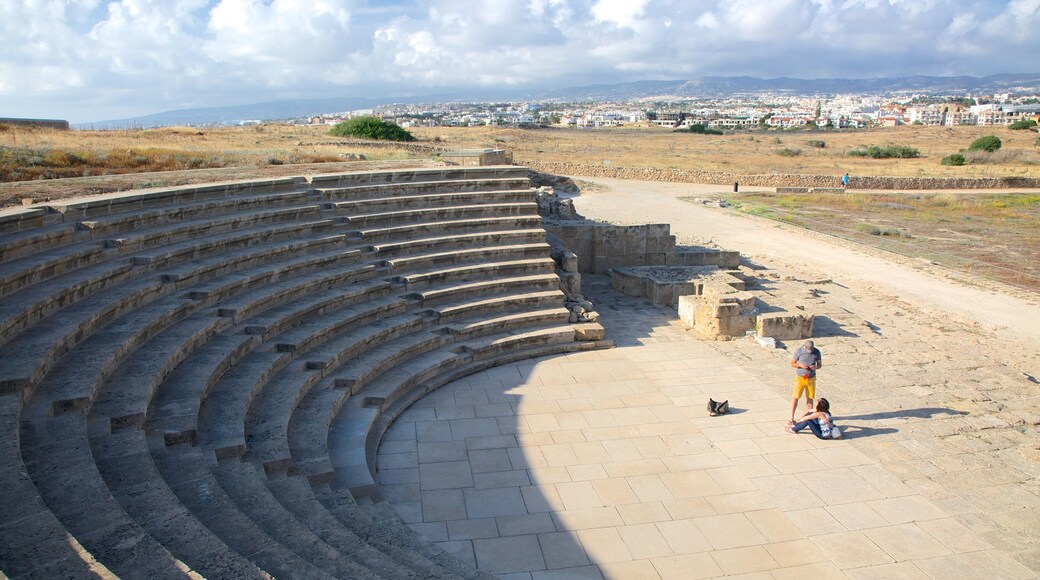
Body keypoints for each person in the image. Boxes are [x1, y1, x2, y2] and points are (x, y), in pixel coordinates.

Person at [789, 339, 821, 425]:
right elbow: (792, 363)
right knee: (796, 397)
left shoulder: (817, 352)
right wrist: (800, 365)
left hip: (811, 378)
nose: (810, 352)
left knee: (810, 397)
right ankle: (791, 417)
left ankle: (809, 417)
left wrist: (815, 367)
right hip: (800, 378)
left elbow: (819, 365)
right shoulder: (799, 351)